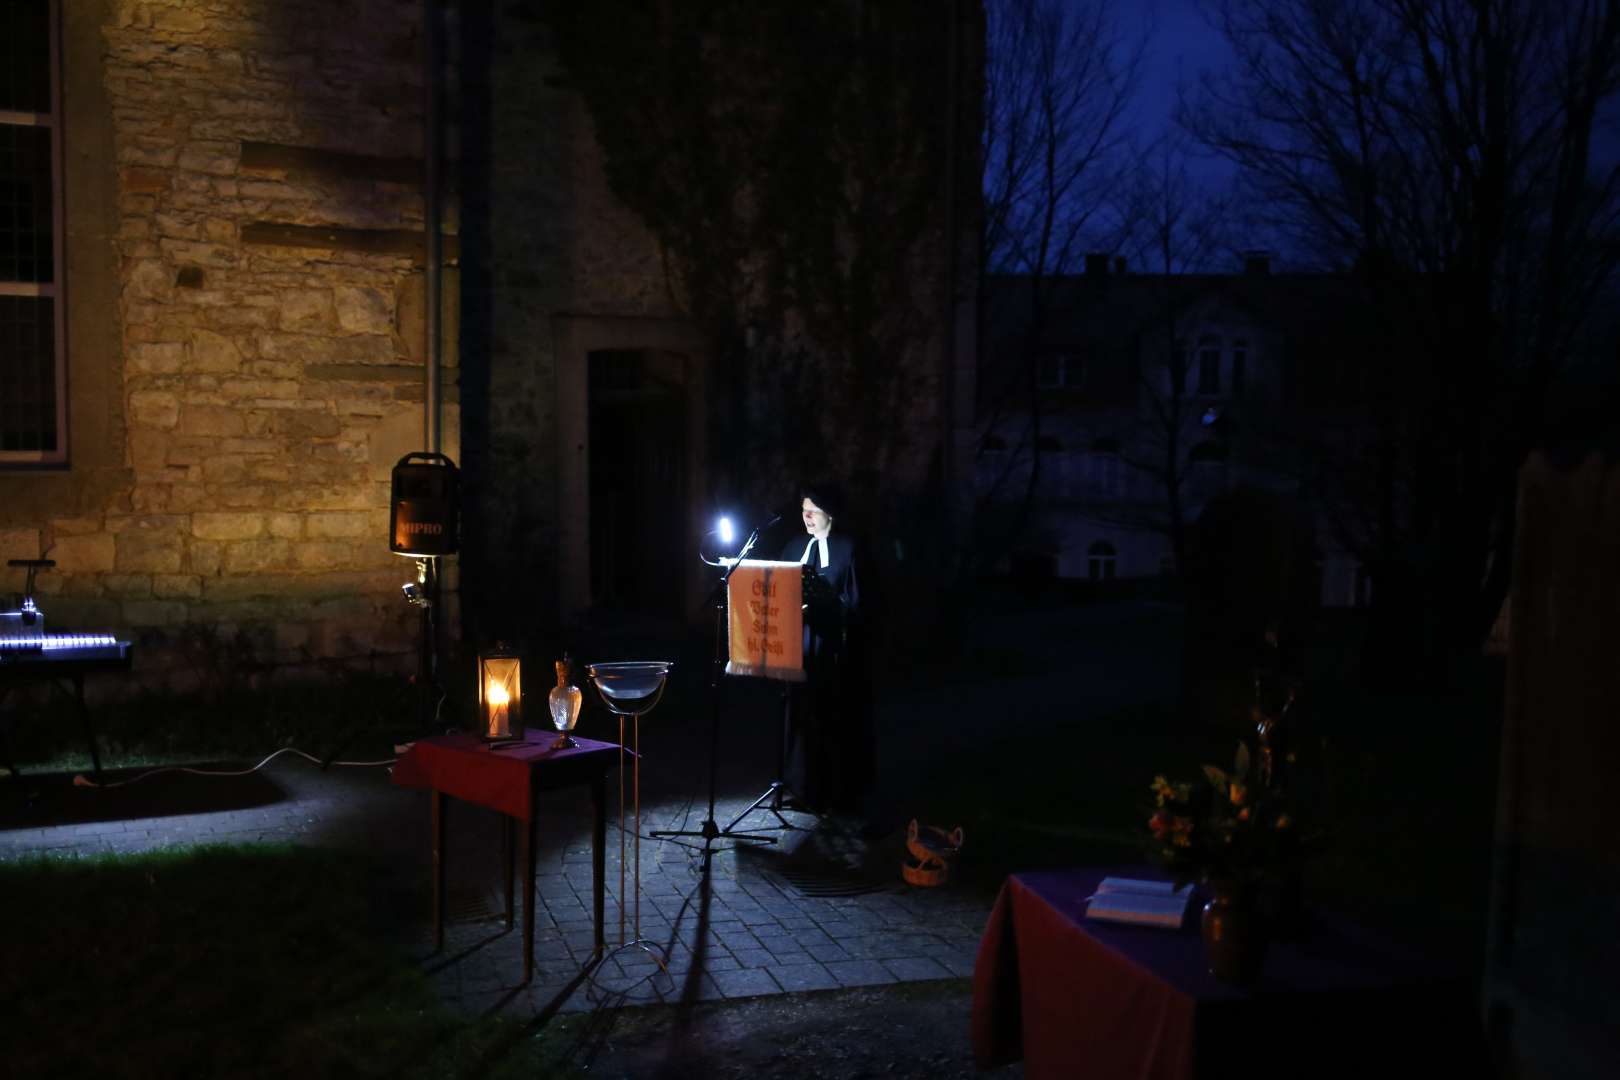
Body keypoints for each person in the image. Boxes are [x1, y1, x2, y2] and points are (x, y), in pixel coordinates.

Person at [778, 483, 873, 819]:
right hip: (795, 645)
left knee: (829, 716)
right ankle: (797, 787)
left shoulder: (849, 549)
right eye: (803, 509)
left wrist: (827, 606)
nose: (806, 516)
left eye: (813, 510)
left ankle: (832, 792)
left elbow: (859, 603)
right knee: (798, 715)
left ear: (829, 513)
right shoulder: (793, 546)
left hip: (832, 648)